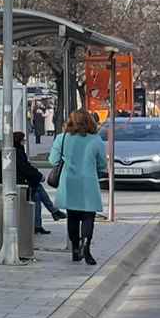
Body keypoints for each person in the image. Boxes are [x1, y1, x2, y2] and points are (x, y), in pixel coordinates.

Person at [50, 107, 109, 264]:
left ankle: (75, 249)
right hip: (88, 182)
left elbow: (53, 160)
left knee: (73, 217)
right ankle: (86, 247)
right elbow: (102, 164)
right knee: (88, 216)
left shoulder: (62, 138)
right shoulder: (96, 140)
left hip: (69, 183)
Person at [0, 130, 59, 235]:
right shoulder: (14, 152)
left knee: (36, 194)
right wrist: (39, 176)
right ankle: (52, 212)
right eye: (22, 140)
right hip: (11, 186)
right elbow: (25, 168)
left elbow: (25, 168)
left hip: (13, 183)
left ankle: (41, 222)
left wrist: (36, 177)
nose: (24, 142)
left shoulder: (13, 150)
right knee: (36, 190)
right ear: (18, 141)